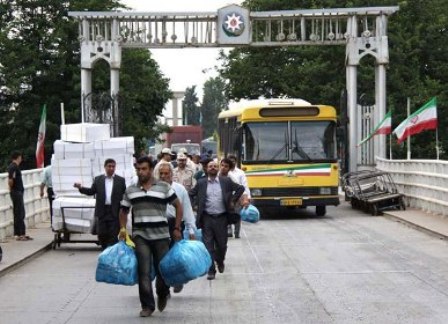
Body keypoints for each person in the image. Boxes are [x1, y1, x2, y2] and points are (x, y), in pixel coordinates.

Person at [119, 156, 183, 317]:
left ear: (151, 169)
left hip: (161, 236)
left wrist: (176, 227)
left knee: (162, 271)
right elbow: (123, 210)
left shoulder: (163, 187)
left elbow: (178, 205)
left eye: (144, 169)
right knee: (144, 271)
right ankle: (147, 305)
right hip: (141, 237)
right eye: (138, 169)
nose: (141, 172)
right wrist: (122, 229)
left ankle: (162, 293)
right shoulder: (131, 190)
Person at [189, 160, 244, 280]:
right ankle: (211, 270)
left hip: (222, 218)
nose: (213, 168)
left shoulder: (226, 181)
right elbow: (190, 194)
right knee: (208, 245)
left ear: (218, 168)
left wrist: (233, 200)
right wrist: (194, 205)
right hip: (207, 218)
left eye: (215, 166)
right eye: (210, 166)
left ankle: (220, 261)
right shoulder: (201, 183)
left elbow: (241, 188)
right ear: (206, 169)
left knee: (222, 245)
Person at [158, 161, 197, 293]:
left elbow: (186, 210)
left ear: (171, 174)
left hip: (175, 225)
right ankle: (165, 287)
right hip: (159, 226)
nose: (163, 176)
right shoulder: (154, 189)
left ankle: (178, 281)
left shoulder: (179, 189)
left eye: (166, 173)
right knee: (162, 257)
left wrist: (191, 230)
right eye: (161, 173)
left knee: (176, 256)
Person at [74, 158, 126, 250]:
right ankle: (104, 251)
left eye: (113, 166)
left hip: (114, 212)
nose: (111, 168)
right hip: (102, 212)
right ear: (105, 167)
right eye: (109, 166)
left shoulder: (120, 180)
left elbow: (124, 194)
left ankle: (111, 254)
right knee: (102, 234)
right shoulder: (98, 179)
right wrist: (81, 188)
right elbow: (91, 191)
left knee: (113, 235)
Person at [8, 152, 32, 241]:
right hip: (16, 191)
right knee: (20, 213)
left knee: (18, 212)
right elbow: (11, 180)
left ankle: (18, 233)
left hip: (17, 191)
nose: (21, 159)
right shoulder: (13, 167)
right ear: (18, 157)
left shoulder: (13, 167)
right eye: (20, 157)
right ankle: (21, 233)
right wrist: (11, 189)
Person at [227, 155, 251, 238]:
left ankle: (237, 233)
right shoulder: (224, 172)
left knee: (237, 214)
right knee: (227, 213)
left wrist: (247, 198)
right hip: (227, 196)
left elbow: (245, 185)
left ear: (236, 162)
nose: (232, 162)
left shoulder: (240, 172)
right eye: (230, 161)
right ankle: (229, 231)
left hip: (238, 197)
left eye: (233, 161)